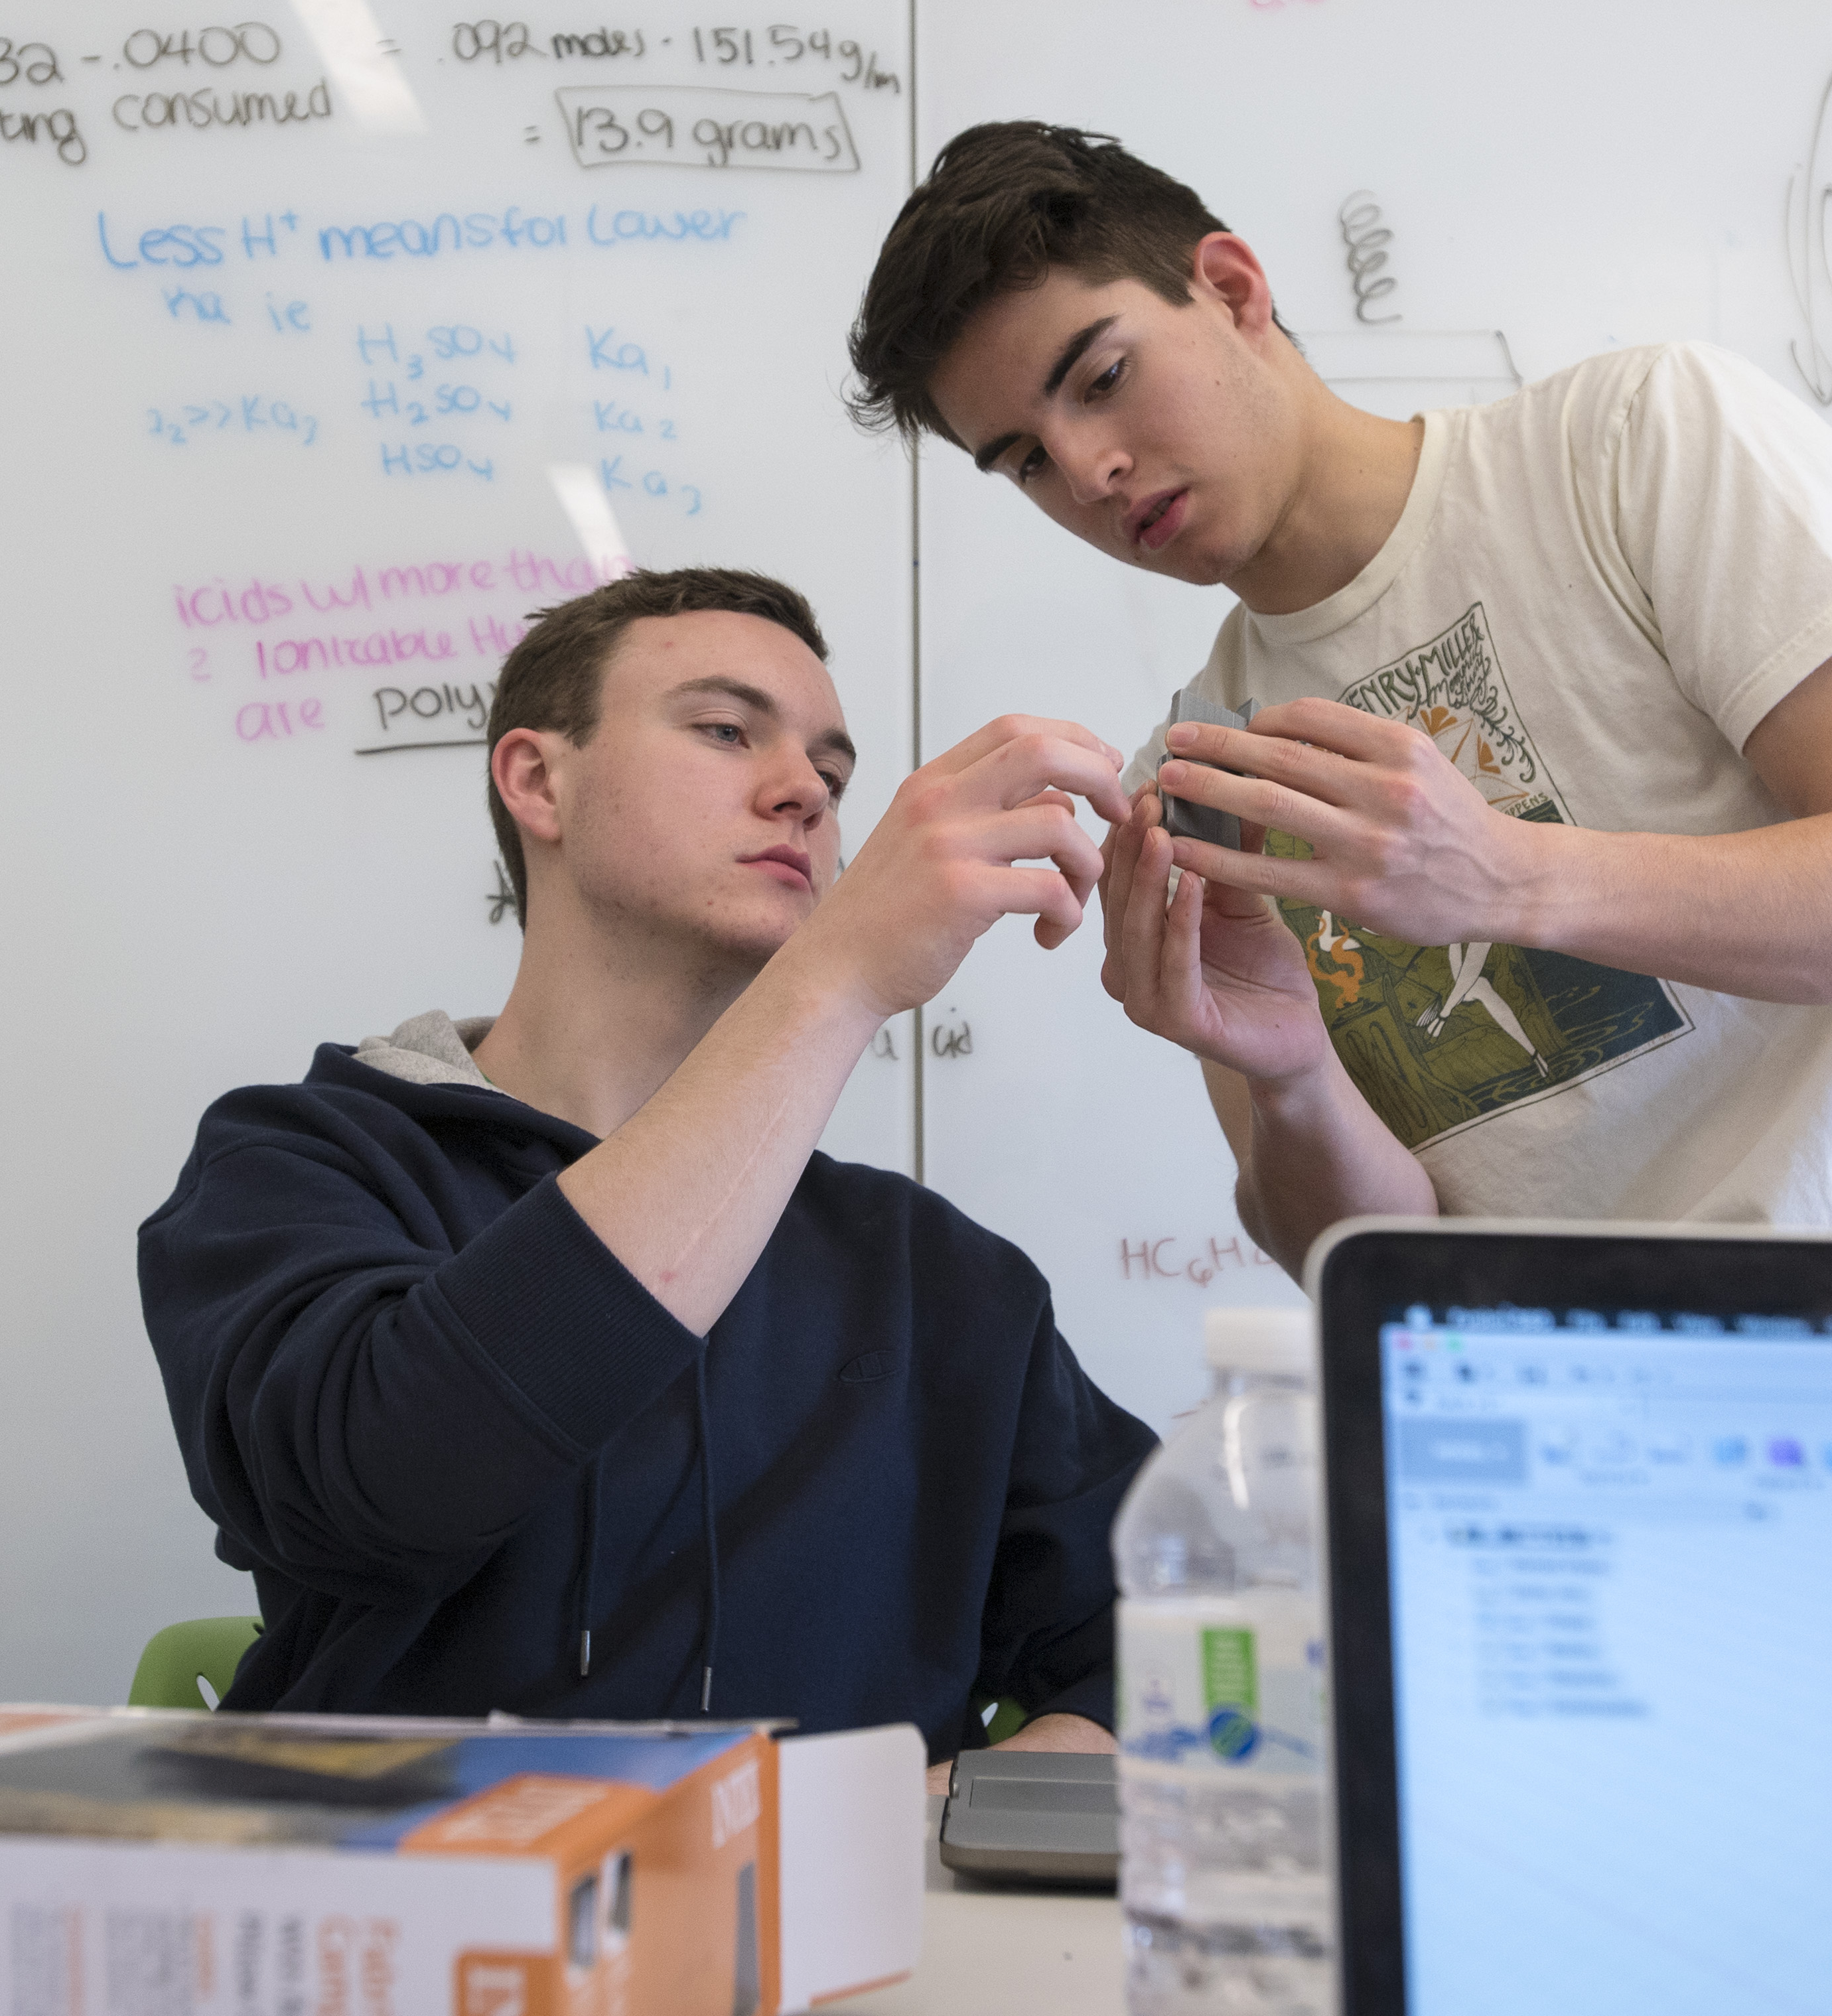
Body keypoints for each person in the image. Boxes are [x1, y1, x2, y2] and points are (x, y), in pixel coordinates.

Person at [847, 122, 1832, 1271]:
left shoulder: (1637, 445)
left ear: (1232, 290)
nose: (1087, 468)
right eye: (1023, 461)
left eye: (1103, 377)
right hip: (1577, 1456)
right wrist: (1288, 1072)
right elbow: (1361, 1257)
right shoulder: (1197, 784)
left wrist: (1508, 879)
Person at [138, 566, 1151, 1769]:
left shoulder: (932, 1273)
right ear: (537, 780)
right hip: (427, 1921)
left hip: (842, 1950)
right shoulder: (304, 1164)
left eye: (833, 778)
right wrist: (835, 977)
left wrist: (989, 1802)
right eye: (726, 732)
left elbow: (1166, 1625)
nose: (806, 799)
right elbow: (386, 1488)